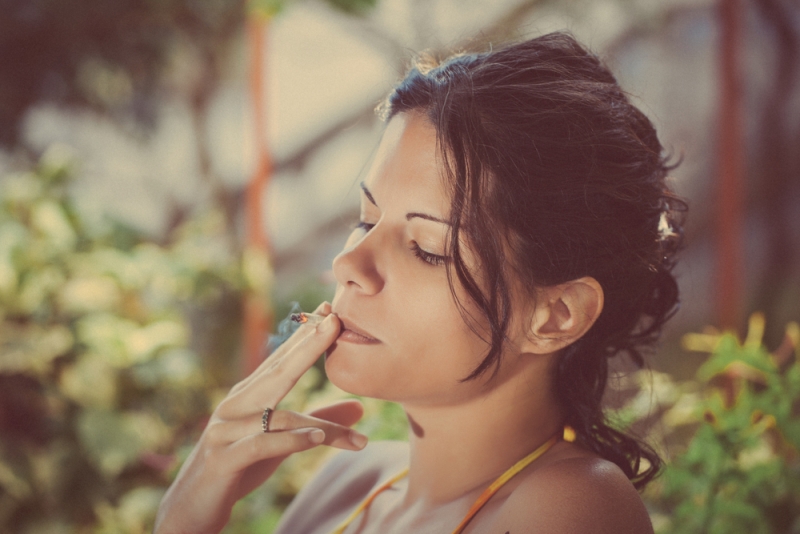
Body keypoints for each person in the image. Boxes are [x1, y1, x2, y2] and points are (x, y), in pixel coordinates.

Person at [155, 31, 684, 534]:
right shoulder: (347, 480)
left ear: (556, 315)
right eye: (366, 220)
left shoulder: (573, 507)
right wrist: (183, 517)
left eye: (428, 250)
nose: (349, 265)